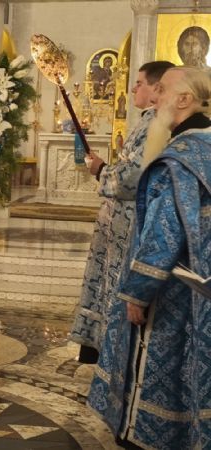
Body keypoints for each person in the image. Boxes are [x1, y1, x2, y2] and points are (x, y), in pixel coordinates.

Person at [89, 66, 211, 449]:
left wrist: (137, 293)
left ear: (184, 99)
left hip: (173, 286)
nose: (155, 98)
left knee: (159, 362)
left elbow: (163, 234)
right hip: (203, 282)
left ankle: (143, 437)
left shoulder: (178, 158)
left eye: (163, 90)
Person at [70, 61, 175, 363]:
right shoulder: (147, 120)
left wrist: (101, 169)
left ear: (156, 88)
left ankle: (115, 354)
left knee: (117, 287)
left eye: (139, 83)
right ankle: (103, 348)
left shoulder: (158, 125)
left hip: (130, 226)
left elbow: (134, 178)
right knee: (106, 284)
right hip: (117, 224)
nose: (132, 89)